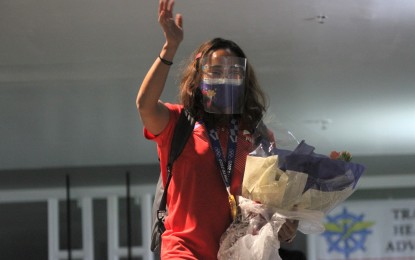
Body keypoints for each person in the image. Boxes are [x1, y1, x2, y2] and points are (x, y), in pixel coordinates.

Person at [136, 0, 298, 258]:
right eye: (215, 71)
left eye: (234, 72)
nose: (224, 78)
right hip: (183, 250)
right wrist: (170, 47)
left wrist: (285, 224)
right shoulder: (179, 124)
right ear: (199, 78)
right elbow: (145, 106)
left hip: (238, 253)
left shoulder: (256, 136)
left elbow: (271, 202)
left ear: (244, 81)